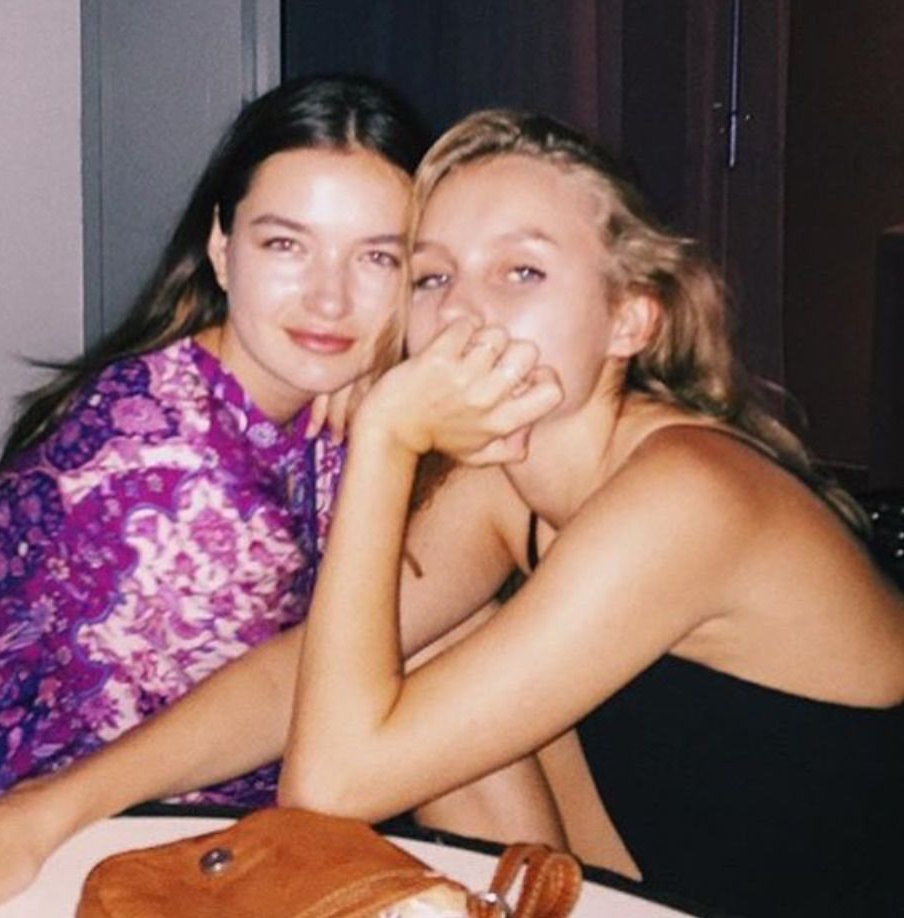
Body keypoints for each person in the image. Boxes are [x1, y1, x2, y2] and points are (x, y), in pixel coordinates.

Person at [0, 74, 429, 847]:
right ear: (221, 249)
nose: (331, 299)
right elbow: (312, 746)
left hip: (60, 812)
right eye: (286, 245)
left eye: (378, 257)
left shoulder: (297, 396)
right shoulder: (178, 478)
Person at [279, 110, 904, 916]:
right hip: (662, 878)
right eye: (432, 278)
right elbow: (296, 675)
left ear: (628, 319)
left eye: (521, 271)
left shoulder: (689, 494)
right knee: (424, 648)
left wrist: (385, 441)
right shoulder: (512, 472)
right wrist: (107, 790)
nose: (459, 313)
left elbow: (329, 786)